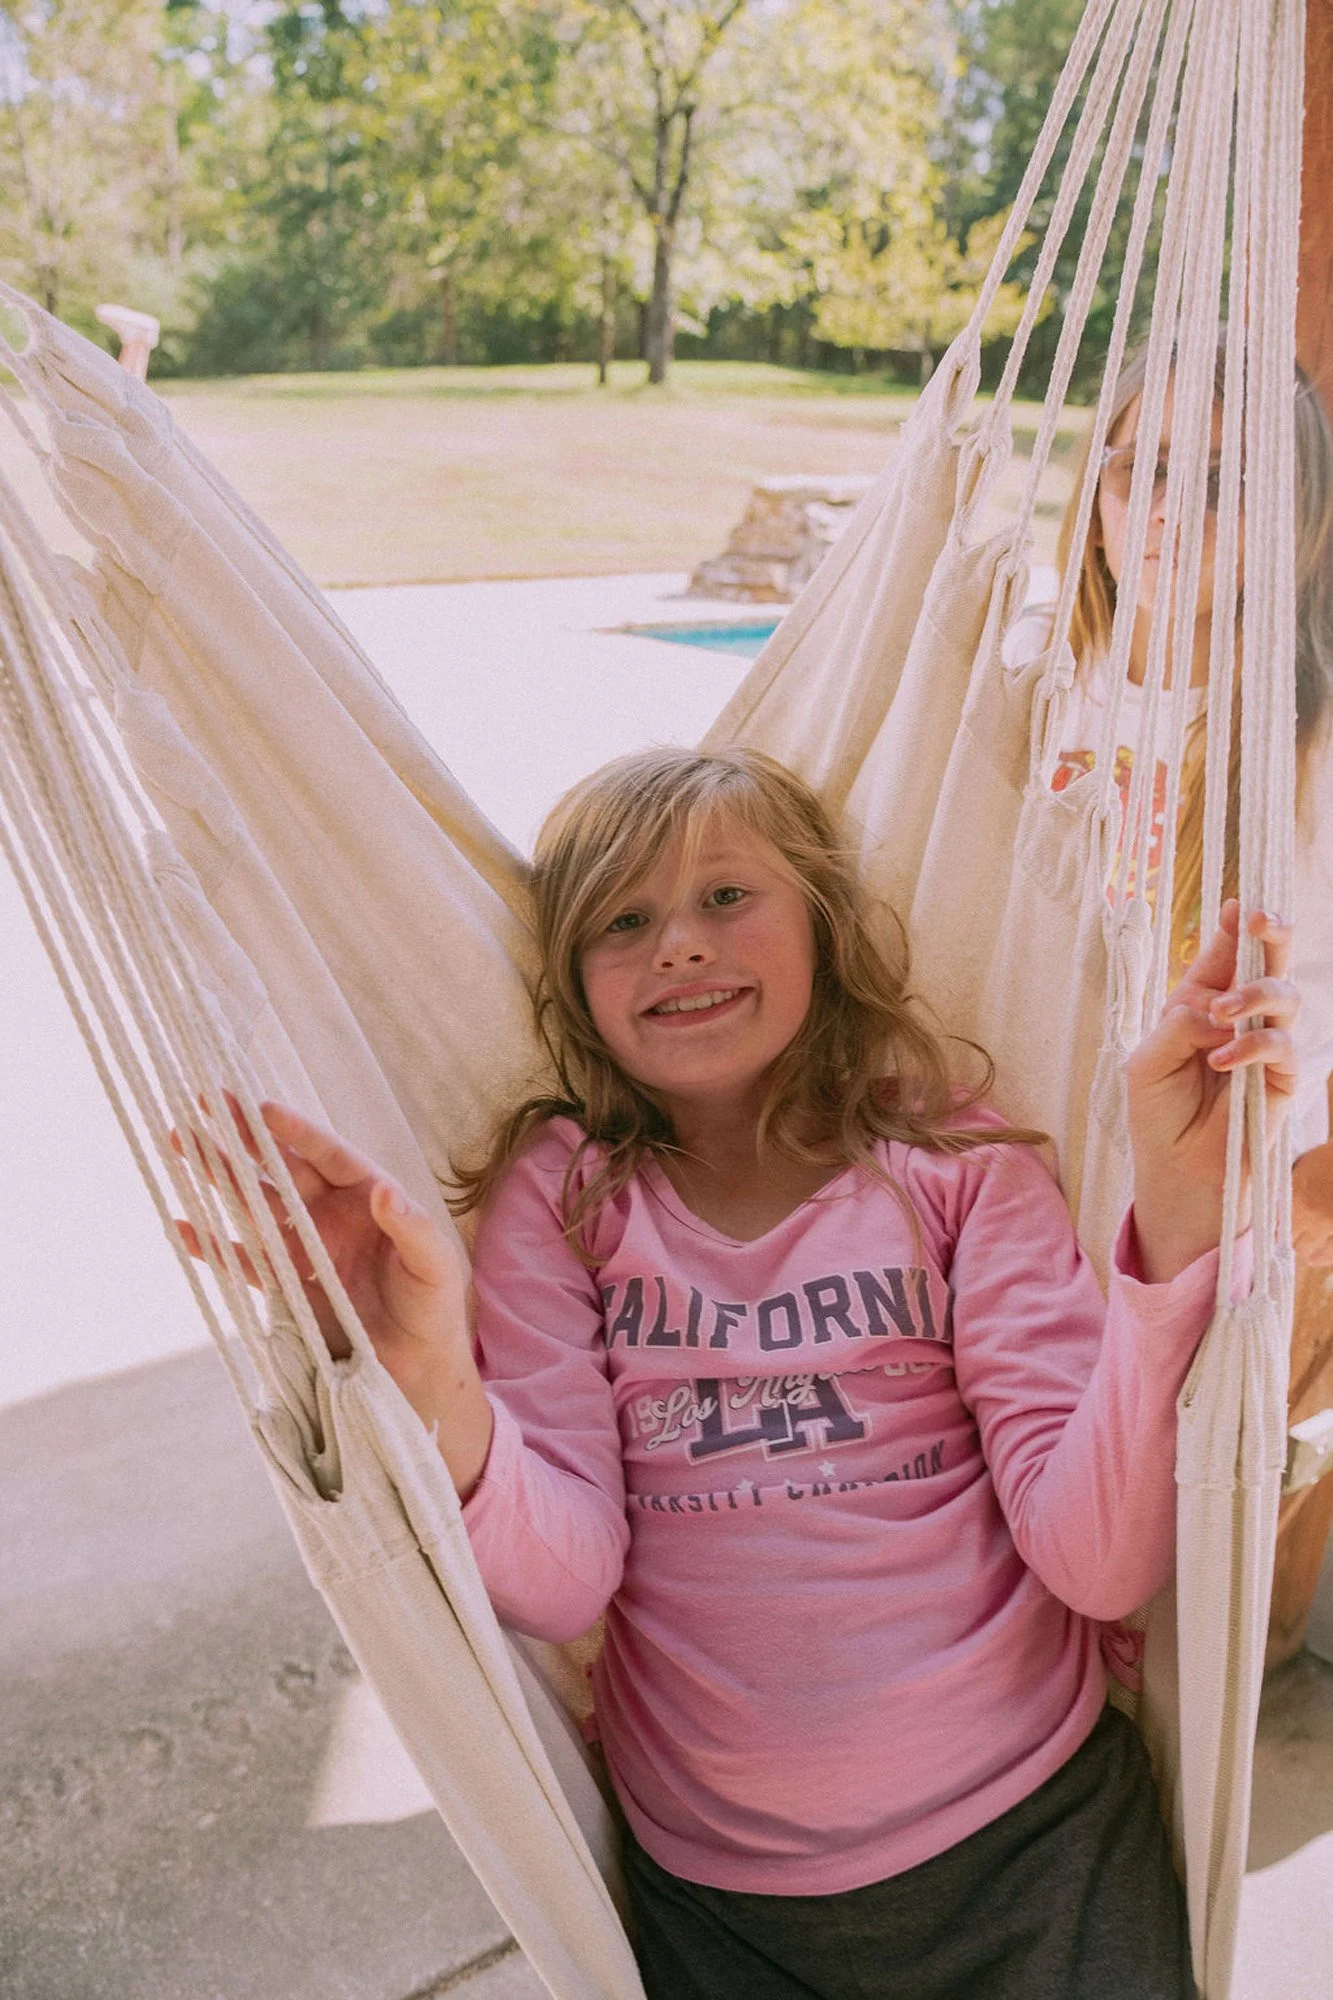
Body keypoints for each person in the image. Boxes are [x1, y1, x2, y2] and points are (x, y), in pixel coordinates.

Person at [195, 745, 1298, 2000]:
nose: (677, 943)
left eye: (726, 895)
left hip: (1037, 1846)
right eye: (624, 918)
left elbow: (1098, 1557)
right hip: (729, 1910)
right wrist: (431, 1376)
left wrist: (1175, 1217)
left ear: (822, 927)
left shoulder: (957, 1167)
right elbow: (564, 1583)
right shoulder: (564, 1201)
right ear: (571, 985)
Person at [1005, 338, 1333, 1264]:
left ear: (1292, 517)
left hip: (1211, 1192)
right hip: (1013, 1144)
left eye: (1220, 484)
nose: (1163, 514)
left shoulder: (1308, 744)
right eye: (1134, 472)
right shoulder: (1027, 674)